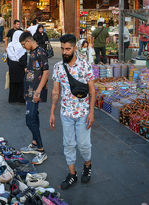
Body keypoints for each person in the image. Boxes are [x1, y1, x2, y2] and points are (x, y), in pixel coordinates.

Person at [49, 34, 95, 190]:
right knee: (68, 144)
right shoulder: (58, 67)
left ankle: (87, 166)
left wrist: (91, 112)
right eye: (62, 49)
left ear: (75, 48)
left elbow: (92, 90)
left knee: (84, 145)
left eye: (68, 49)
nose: (64, 52)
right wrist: (52, 112)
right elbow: (56, 91)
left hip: (83, 113)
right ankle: (72, 174)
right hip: (65, 113)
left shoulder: (85, 65)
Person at [19, 31, 49, 165]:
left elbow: (46, 72)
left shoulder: (40, 52)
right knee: (34, 116)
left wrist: (38, 91)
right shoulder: (31, 52)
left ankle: (41, 150)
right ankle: (34, 143)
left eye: (23, 44)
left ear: (29, 41)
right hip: (29, 90)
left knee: (29, 119)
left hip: (35, 92)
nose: (23, 47)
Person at [6, 30, 26, 104]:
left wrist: (11, 64)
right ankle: (20, 98)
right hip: (20, 67)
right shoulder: (21, 46)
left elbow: (8, 57)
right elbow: (23, 59)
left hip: (12, 66)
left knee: (12, 83)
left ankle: (12, 99)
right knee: (20, 83)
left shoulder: (10, 45)